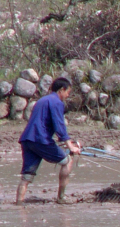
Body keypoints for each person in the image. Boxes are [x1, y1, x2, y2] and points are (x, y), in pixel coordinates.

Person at [16, 76, 82, 205]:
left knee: (27, 175)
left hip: (27, 140)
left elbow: (43, 122)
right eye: (68, 92)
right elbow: (59, 125)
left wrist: (65, 141)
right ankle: (61, 198)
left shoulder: (42, 100)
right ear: (62, 90)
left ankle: (19, 202)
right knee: (67, 161)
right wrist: (70, 146)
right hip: (41, 140)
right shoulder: (56, 102)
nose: (68, 95)